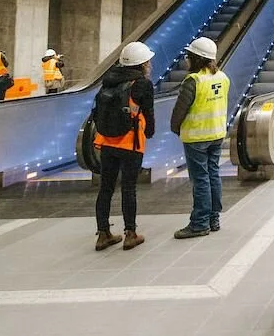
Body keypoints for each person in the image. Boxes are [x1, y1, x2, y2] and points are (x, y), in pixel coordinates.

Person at [93, 41, 156, 252]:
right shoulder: (142, 84)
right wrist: (149, 132)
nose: (150, 64)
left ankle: (103, 234)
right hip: (130, 142)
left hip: (106, 141)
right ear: (141, 64)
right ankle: (130, 233)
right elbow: (148, 113)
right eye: (148, 61)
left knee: (106, 188)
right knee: (129, 188)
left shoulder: (108, 81)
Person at [170, 36, 229, 239]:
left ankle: (199, 223)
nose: (187, 60)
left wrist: (175, 127)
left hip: (197, 137)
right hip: (217, 134)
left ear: (196, 58)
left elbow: (180, 110)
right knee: (213, 175)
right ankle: (214, 218)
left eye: (189, 56)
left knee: (201, 179)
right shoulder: (222, 77)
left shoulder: (193, 81)